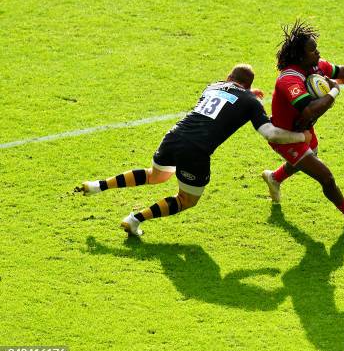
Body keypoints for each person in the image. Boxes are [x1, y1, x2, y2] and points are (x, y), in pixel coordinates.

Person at [76, 64, 311, 236]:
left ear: (228, 77)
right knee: (186, 199)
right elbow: (270, 133)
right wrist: (302, 136)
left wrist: (248, 96)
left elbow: (231, 97)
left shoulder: (213, 86)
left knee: (155, 175)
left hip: (175, 136)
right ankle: (134, 219)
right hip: (196, 150)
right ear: (248, 86)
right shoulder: (251, 102)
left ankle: (98, 186)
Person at [261, 20, 344, 229]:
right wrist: (334, 92)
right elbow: (309, 110)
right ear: (300, 56)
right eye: (312, 50)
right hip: (285, 137)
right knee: (326, 177)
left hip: (304, 130)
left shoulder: (314, 67)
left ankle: (274, 178)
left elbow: (343, 71)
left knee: (310, 156)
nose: (318, 53)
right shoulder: (289, 80)